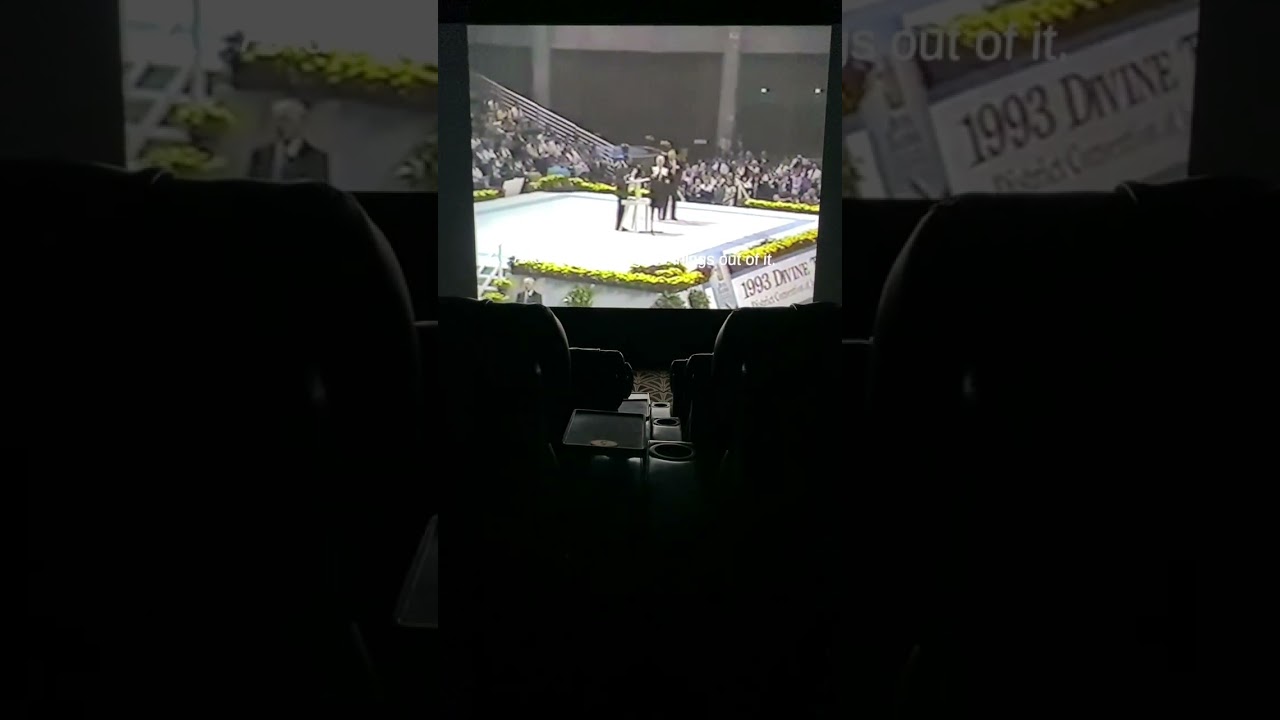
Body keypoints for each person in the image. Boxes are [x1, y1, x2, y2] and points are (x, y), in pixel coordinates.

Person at [248, 98, 330, 182]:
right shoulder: (260, 154)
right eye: (277, 120)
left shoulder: (316, 158)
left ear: (300, 122)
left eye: (286, 119)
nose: (280, 125)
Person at [614, 144, 633, 231]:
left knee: (622, 207)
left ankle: (620, 224)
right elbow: (619, 174)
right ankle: (619, 225)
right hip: (622, 187)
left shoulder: (623, 160)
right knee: (621, 207)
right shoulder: (621, 162)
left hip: (623, 186)